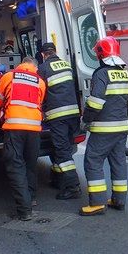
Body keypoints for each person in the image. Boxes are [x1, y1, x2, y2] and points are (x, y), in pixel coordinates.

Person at [80, 37, 128, 216]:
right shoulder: (126, 73)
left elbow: (96, 103)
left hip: (103, 130)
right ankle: (119, 200)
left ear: (100, 54)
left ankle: (98, 203)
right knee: (119, 162)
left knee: (93, 161)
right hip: (121, 129)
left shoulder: (101, 74)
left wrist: (86, 120)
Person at [0, 56, 46, 221]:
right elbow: (40, 102)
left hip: (14, 128)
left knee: (16, 166)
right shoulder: (40, 81)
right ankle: (31, 198)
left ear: (21, 64)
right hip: (34, 129)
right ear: (34, 67)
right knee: (30, 165)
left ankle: (24, 210)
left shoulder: (9, 76)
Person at [37, 42, 81, 200]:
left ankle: (72, 186)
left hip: (58, 116)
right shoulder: (67, 65)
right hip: (73, 114)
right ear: (55, 51)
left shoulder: (43, 69)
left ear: (43, 55)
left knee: (61, 150)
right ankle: (57, 179)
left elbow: (39, 92)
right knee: (64, 147)